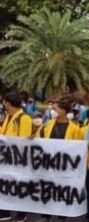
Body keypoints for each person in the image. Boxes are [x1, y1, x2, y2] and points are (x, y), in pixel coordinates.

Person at [0, 91, 32, 222]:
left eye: (4, 102)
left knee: (20, 186)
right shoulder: (8, 117)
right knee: (4, 184)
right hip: (6, 157)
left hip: (18, 159)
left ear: (8, 103)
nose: (3, 104)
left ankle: (21, 213)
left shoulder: (24, 119)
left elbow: (23, 141)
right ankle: (4, 211)